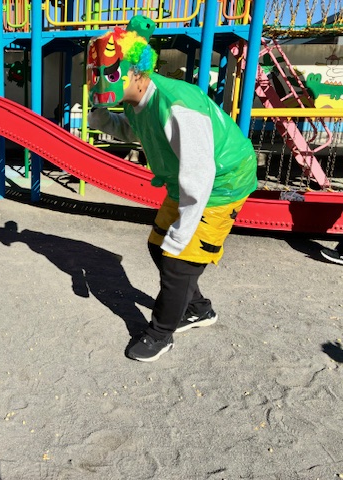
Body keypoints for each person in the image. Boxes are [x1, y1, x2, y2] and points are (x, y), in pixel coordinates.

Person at [87, 16, 258, 362]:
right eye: (95, 74)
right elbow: (137, 130)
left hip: (222, 183)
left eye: (111, 74)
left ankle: (160, 334)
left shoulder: (178, 106)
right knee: (158, 246)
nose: (99, 81)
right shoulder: (138, 101)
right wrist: (103, 118)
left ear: (136, 72)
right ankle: (198, 309)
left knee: (179, 262)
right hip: (186, 181)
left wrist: (183, 233)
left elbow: (201, 173)